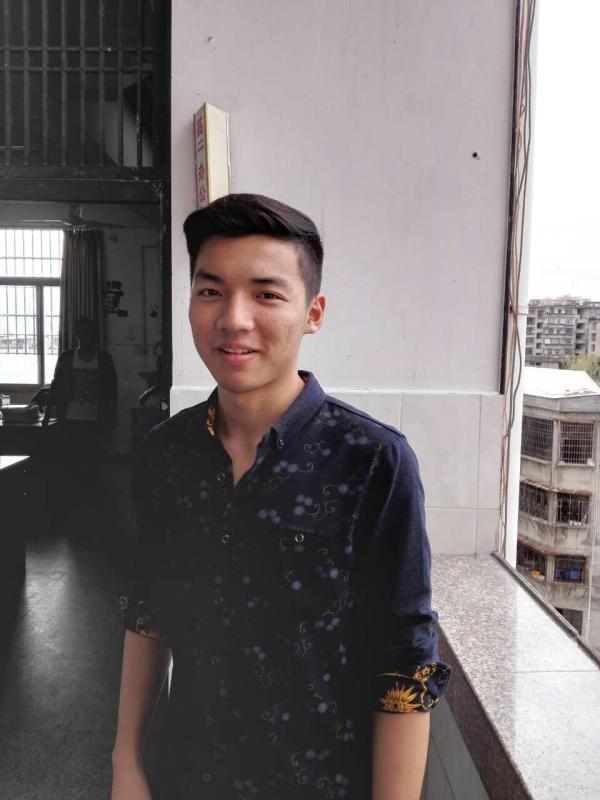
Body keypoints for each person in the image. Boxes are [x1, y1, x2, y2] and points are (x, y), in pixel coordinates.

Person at [111, 194, 451, 799]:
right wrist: (126, 762)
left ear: (313, 313)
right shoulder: (166, 453)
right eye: (211, 291)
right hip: (186, 779)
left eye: (266, 294)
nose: (234, 319)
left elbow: (404, 662)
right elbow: (149, 612)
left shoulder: (373, 461)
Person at [43, 315, 117, 510]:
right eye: (82, 333)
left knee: (92, 460)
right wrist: (47, 415)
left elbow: (112, 392)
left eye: (89, 334)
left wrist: (112, 420)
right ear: (77, 335)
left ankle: (90, 501)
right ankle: (74, 500)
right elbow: (55, 387)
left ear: (94, 336)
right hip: (70, 419)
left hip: (95, 420)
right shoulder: (67, 358)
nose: (86, 338)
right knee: (72, 460)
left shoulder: (104, 359)